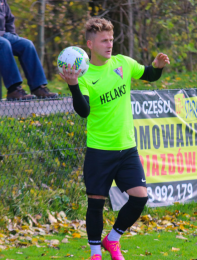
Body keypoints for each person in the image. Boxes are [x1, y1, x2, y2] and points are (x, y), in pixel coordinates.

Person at [60, 17, 170, 260]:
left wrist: (158, 66)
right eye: (103, 40)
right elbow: (83, 111)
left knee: (140, 197)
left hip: (127, 148)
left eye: (111, 39)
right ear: (90, 44)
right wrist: (73, 86)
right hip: (99, 150)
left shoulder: (123, 63)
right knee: (96, 203)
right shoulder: (85, 76)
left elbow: (149, 74)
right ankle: (95, 253)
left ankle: (113, 239)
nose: (109, 44)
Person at [0, 0, 57, 100]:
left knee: (26, 44)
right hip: (2, 40)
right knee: (4, 44)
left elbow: (9, 20)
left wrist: (13, 37)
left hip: (3, 35)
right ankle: (14, 90)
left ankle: (37, 87)